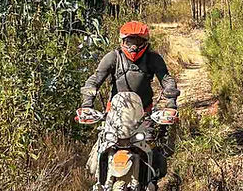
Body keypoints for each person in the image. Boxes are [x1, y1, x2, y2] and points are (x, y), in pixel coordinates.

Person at [76, 20, 180, 177]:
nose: (133, 46)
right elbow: (94, 80)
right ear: (122, 41)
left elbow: (167, 80)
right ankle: (99, 181)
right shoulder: (113, 57)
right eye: (129, 41)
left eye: (137, 41)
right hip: (115, 113)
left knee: (155, 150)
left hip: (144, 113)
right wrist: (87, 104)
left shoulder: (153, 59)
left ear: (145, 42)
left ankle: (151, 179)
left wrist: (171, 104)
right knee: (98, 153)